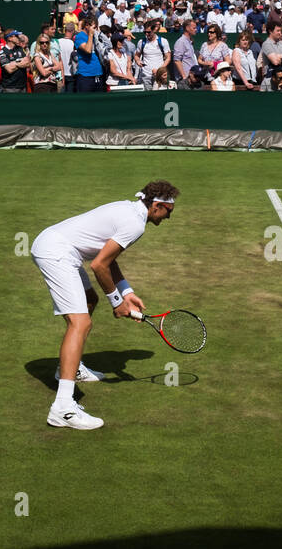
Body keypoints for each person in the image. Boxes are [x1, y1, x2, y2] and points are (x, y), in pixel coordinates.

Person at [29, 181, 177, 429]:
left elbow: (108, 259)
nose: (168, 218)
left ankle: (70, 368)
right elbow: (99, 265)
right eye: (168, 212)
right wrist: (117, 302)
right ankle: (63, 408)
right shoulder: (135, 224)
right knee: (81, 323)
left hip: (58, 246)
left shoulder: (128, 210)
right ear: (158, 206)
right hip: (57, 252)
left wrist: (127, 292)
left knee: (89, 300)